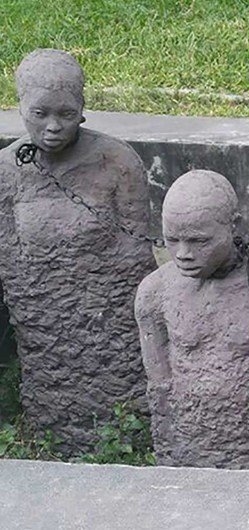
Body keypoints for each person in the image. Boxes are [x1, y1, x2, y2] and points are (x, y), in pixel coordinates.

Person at [0, 49, 155, 455]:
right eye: (40, 114)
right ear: (20, 107)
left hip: (107, 323)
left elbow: (135, 253)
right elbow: (9, 257)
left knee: (116, 393)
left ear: (83, 109)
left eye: (66, 114)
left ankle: (125, 437)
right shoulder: (6, 171)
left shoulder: (117, 161)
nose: (53, 127)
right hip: (43, 326)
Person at [135, 170, 249, 470]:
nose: (183, 254)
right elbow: (160, 387)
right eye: (172, 239)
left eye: (199, 241)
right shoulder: (154, 294)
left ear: (233, 227)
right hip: (190, 445)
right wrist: (168, 445)